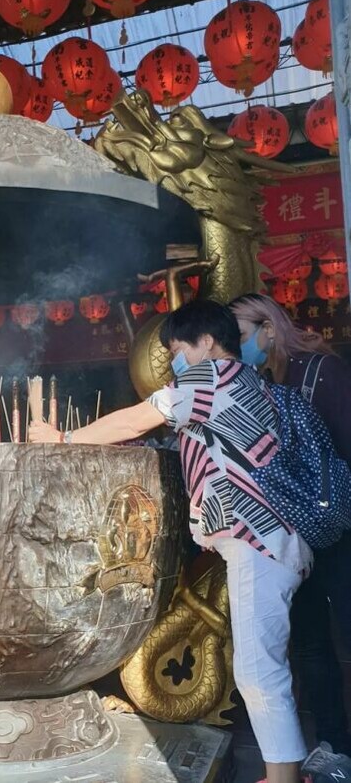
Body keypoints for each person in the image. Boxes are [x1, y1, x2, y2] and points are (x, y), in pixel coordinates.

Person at [30, 300, 310, 783]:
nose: (176, 362)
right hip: (274, 540)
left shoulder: (210, 379)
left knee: (259, 672)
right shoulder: (251, 381)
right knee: (262, 666)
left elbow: (135, 420)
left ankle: (284, 778)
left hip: (257, 543)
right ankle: (283, 772)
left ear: (207, 342)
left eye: (179, 349)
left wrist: (63, 440)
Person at [230, 292, 351, 758]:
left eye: (241, 335)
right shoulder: (261, 381)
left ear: (269, 328)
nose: (237, 346)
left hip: (339, 525)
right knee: (310, 643)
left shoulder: (322, 371)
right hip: (295, 531)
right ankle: (334, 746)